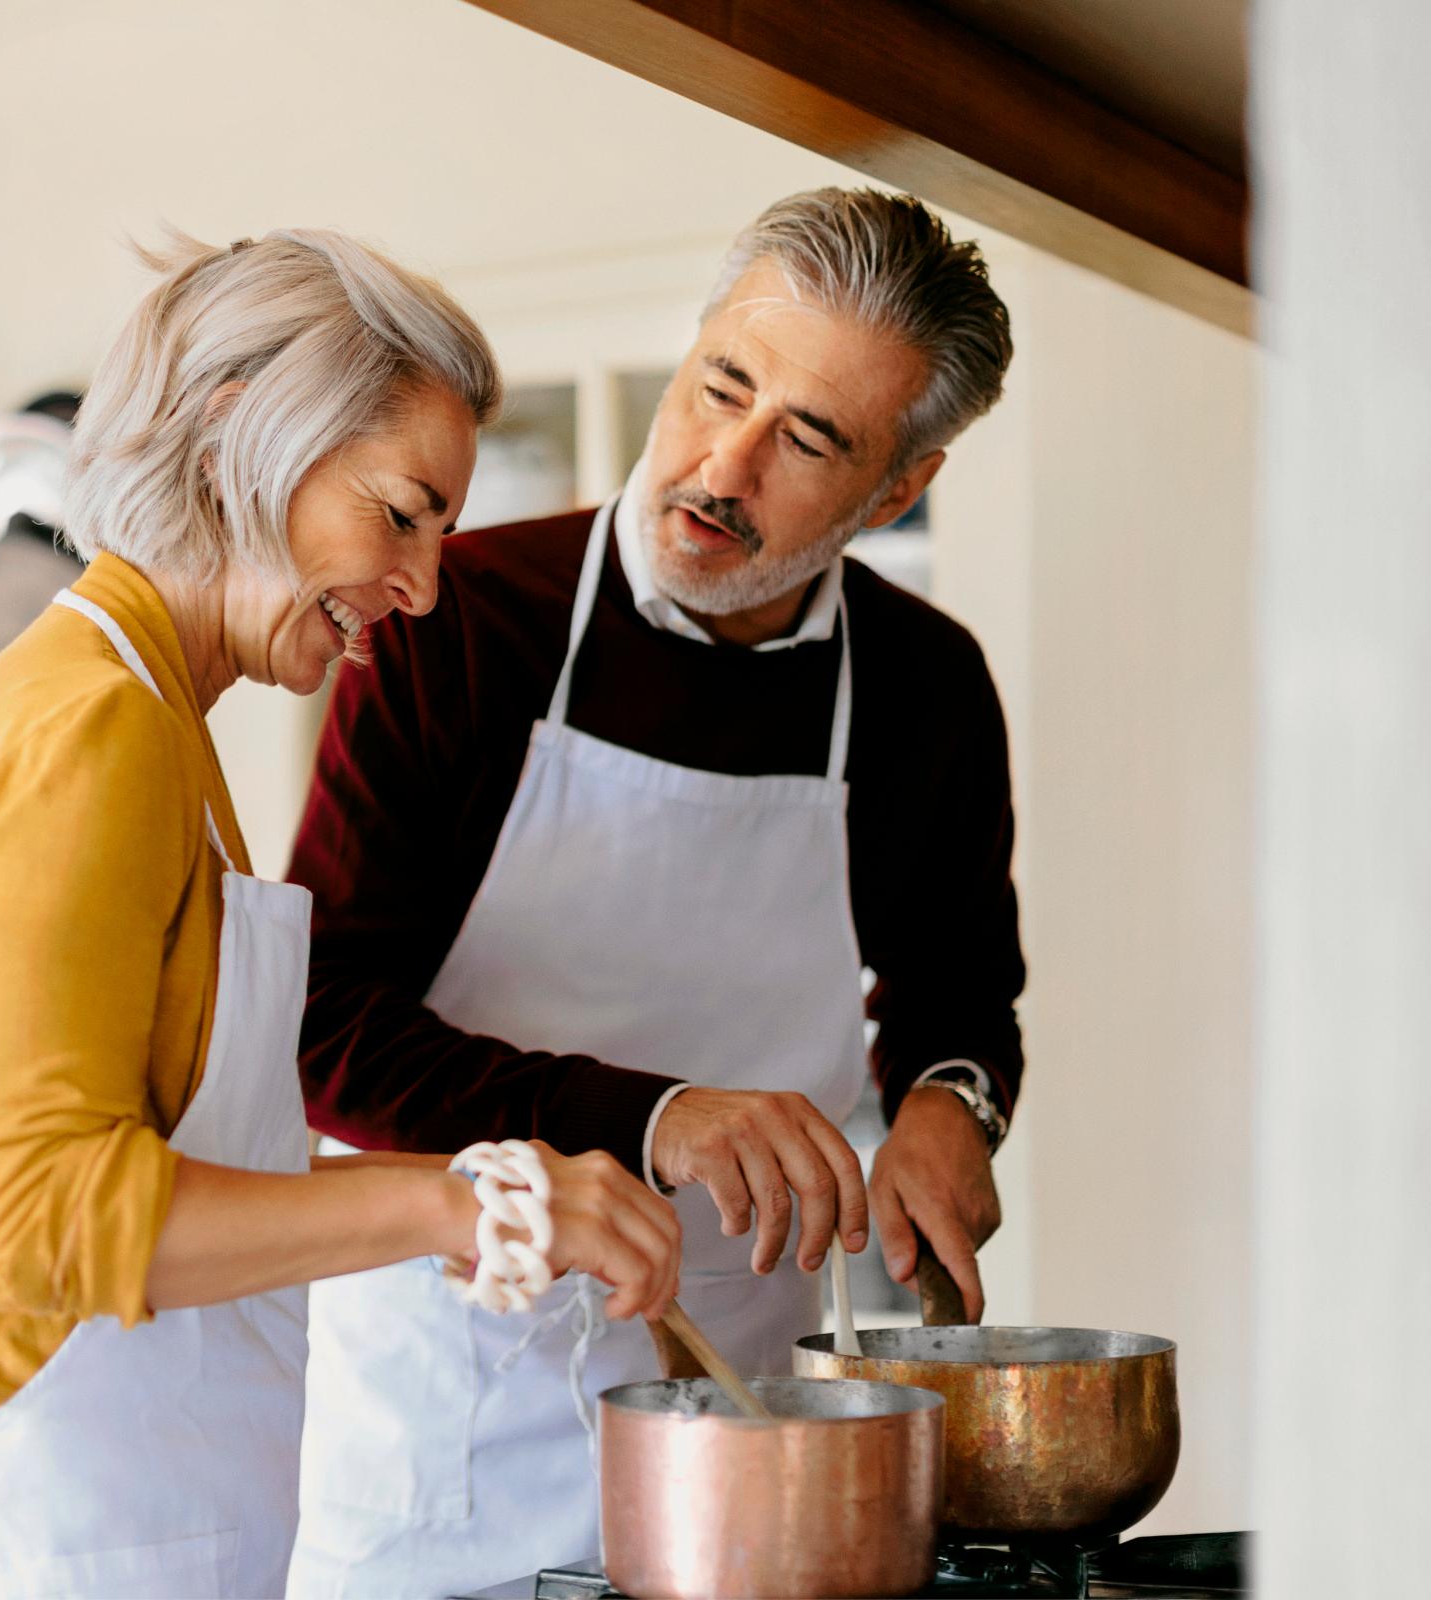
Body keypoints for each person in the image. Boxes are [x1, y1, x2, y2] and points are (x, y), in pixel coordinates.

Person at [0, 229, 684, 1600]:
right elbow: (37, 1218)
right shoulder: (89, 728)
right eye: (399, 512)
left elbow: (179, 1174)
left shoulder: (158, 722)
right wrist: (458, 1205)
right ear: (233, 438)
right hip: (3, 1541)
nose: (423, 584)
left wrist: (506, 1201)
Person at [286, 189, 1026, 1597]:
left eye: (806, 439)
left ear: (897, 492)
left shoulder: (927, 691)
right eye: (721, 387)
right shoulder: (460, 622)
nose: (722, 466)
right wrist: (657, 1120)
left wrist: (950, 1102)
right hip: (444, 1430)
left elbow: (961, 998)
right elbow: (319, 1028)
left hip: (744, 1443)